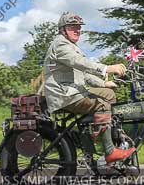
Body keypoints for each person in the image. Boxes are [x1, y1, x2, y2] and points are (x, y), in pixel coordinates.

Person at [42, 11, 135, 164]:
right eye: (72, 27)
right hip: (64, 94)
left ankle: (96, 135)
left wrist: (104, 83)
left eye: (79, 27)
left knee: (108, 93)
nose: (77, 30)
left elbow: (82, 73)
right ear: (62, 29)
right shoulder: (60, 45)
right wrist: (106, 68)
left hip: (73, 90)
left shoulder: (70, 45)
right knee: (102, 103)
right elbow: (80, 63)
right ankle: (109, 150)